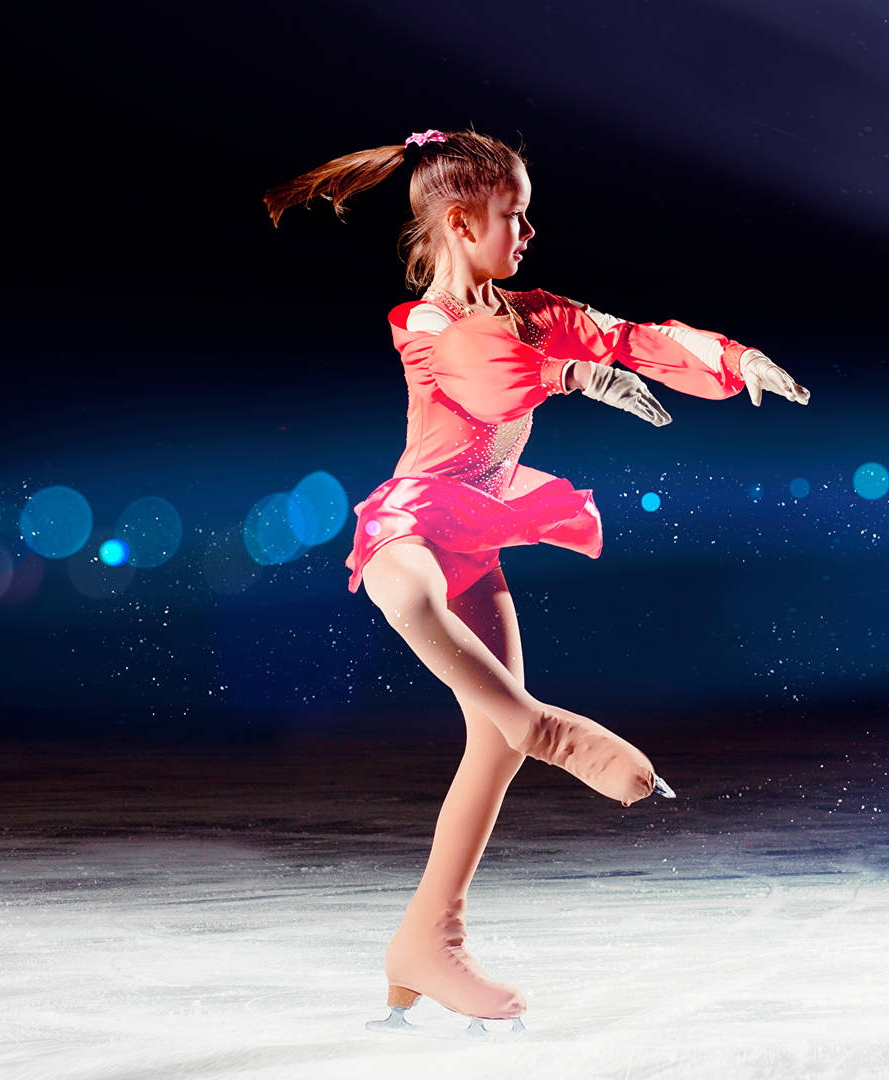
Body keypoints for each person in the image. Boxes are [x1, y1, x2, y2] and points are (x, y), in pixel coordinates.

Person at [263, 127, 810, 1033]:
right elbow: (483, 381)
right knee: (417, 602)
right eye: (513, 217)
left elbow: (628, 336)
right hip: (416, 521)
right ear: (460, 218)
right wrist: (568, 375)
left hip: (479, 525)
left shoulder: (533, 309)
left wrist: (730, 358)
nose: (527, 233)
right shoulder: (428, 324)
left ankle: (425, 944)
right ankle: (551, 732)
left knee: (493, 740)